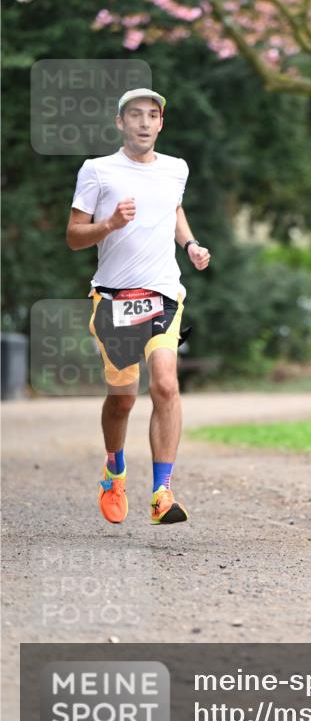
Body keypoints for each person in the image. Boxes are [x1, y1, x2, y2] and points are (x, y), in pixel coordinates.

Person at [66, 88, 211, 526]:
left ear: (161, 124)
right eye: (135, 115)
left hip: (163, 293)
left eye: (152, 115)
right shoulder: (97, 170)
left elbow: (173, 208)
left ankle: (162, 493)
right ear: (120, 122)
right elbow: (74, 235)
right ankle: (114, 471)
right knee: (123, 399)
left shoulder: (176, 168)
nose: (144, 122)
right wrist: (110, 223)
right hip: (113, 298)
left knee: (165, 384)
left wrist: (190, 244)